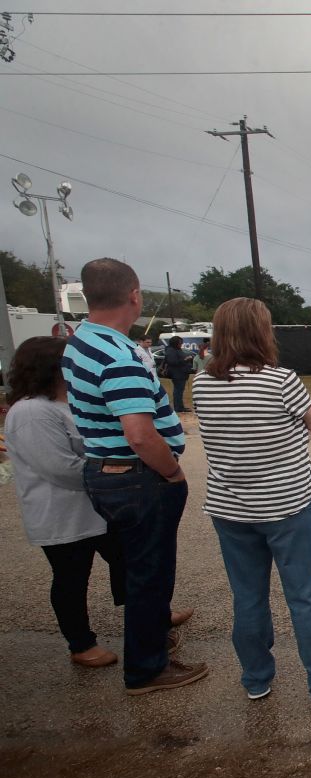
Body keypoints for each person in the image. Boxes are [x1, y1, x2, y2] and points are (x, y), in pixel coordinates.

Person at [192, 297, 311, 705]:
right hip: (288, 503)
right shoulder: (281, 380)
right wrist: (288, 438)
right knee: (302, 594)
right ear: (262, 332)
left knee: (247, 596)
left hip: (230, 506)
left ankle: (256, 676)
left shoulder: (202, 382)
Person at [62, 258, 207, 695]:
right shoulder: (118, 354)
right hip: (137, 475)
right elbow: (140, 434)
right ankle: (147, 668)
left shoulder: (80, 342)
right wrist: (172, 471)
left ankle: (151, 641)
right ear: (134, 295)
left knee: (137, 567)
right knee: (150, 573)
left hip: (106, 468)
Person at [5, 336, 126, 667]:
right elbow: (58, 468)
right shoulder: (31, 412)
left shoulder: (71, 403)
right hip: (62, 515)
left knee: (129, 561)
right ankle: (81, 644)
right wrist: (114, 472)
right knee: (72, 578)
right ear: (53, 367)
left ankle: (150, 614)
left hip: (97, 510)